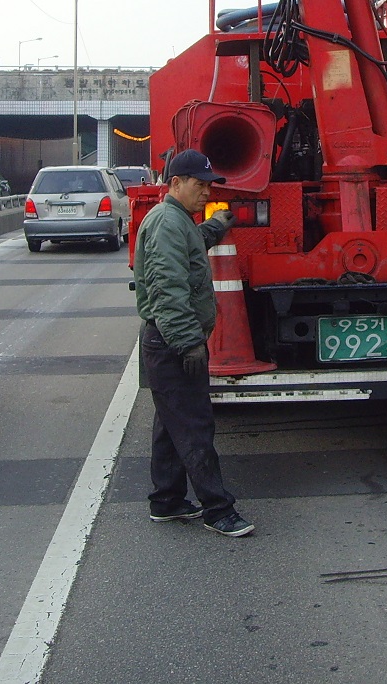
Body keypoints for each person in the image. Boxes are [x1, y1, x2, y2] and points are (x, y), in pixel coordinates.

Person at [133, 148, 254, 538]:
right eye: (200, 185)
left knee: (170, 424)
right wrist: (189, 343)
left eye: (209, 186)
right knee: (194, 426)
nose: (206, 192)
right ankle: (218, 509)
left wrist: (216, 226)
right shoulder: (168, 223)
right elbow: (169, 289)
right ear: (176, 183)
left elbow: (190, 246)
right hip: (171, 340)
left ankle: (166, 501)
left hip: (163, 338)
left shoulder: (176, 220)